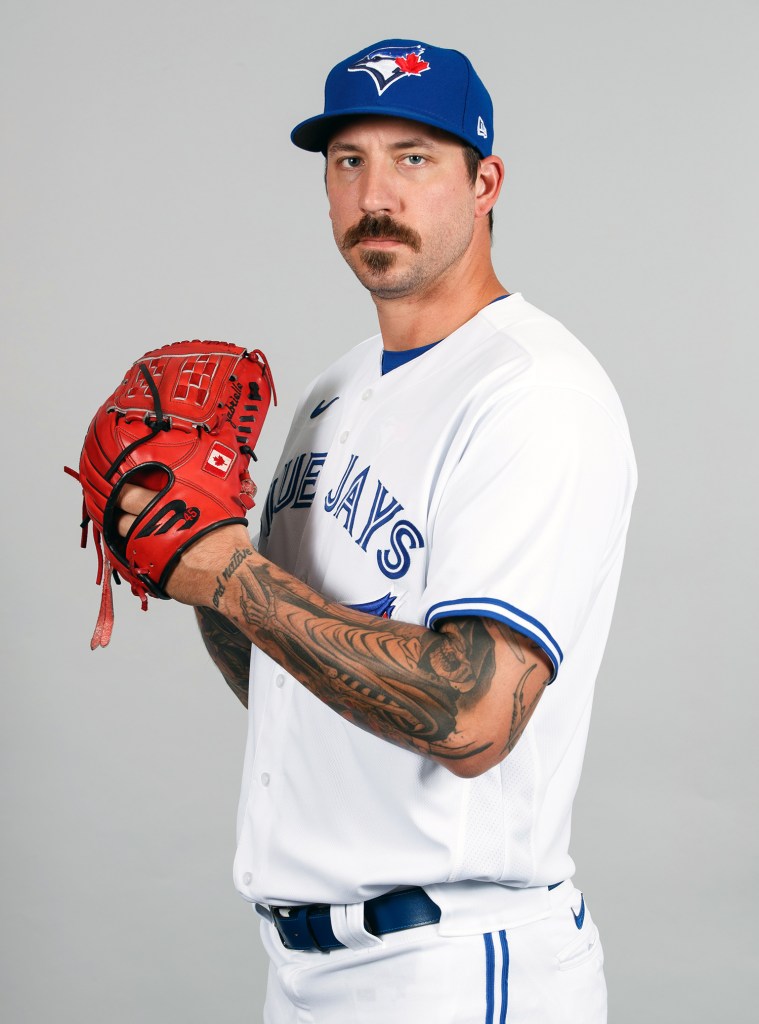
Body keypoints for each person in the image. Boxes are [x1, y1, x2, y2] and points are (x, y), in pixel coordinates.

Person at [120, 38, 636, 1024]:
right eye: (348, 160)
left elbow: (474, 712)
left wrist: (230, 575)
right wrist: (188, 548)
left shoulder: (532, 392)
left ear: (485, 181)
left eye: (413, 158)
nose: (375, 194)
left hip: (454, 965)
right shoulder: (333, 390)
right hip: (304, 968)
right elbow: (288, 673)